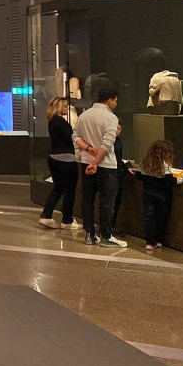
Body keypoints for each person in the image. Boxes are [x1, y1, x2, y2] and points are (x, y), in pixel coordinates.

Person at [72, 88, 124, 247]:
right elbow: (107, 143)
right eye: (115, 100)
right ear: (110, 100)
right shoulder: (111, 117)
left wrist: (88, 149)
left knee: (87, 199)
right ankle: (106, 235)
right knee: (107, 201)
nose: (116, 103)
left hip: (86, 162)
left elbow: (75, 136)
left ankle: (89, 233)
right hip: (105, 165)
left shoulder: (84, 115)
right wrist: (96, 162)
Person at [131, 139, 183, 251]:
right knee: (162, 217)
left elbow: (139, 176)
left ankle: (149, 242)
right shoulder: (164, 165)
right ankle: (159, 240)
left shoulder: (145, 162)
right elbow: (171, 181)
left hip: (148, 194)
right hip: (162, 196)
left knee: (149, 217)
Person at [39, 97, 82, 229]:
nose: (67, 109)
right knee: (69, 190)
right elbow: (71, 136)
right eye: (65, 106)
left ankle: (46, 215)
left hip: (54, 157)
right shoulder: (60, 121)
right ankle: (67, 220)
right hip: (65, 158)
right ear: (59, 107)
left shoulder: (52, 121)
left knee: (58, 188)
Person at [110, 122, 133, 236]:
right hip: (111, 173)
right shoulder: (109, 142)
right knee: (111, 201)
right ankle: (108, 226)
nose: (118, 131)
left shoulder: (119, 141)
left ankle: (112, 224)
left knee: (117, 201)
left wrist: (126, 167)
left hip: (118, 172)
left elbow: (119, 158)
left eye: (120, 129)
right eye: (117, 128)